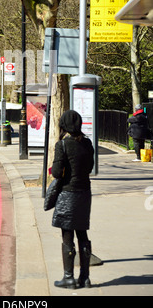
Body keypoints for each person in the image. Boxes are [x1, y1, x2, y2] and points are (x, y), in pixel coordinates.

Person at [51, 110, 94, 289]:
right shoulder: (88, 143)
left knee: (67, 235)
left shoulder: (63, 145)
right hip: (84, 193)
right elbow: (90, 168)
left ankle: (68, 278)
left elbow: (55, 173)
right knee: (82, 234)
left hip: (68, 194)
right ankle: (85, 278)